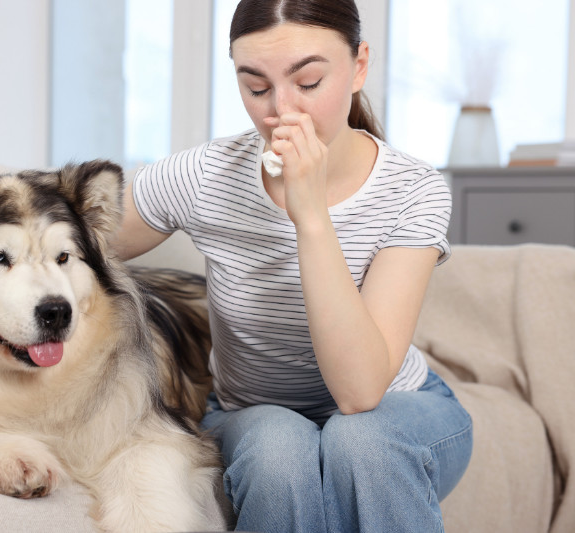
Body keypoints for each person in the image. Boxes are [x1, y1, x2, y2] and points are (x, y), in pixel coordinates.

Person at [112, 0, 473, 531]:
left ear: (359, 66)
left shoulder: (413, 190)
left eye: (307, 83)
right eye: (256, 88)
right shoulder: (204, 174)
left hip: (397, 409)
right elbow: (68, 235)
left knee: (361, 442)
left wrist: (311, 217)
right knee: (280, 452)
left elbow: (359, 393)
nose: (281, 111)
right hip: (252, 411)